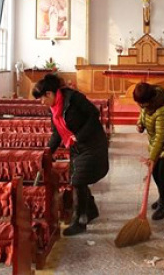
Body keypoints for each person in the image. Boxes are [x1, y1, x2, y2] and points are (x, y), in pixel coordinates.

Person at [33, 73, 109, 236]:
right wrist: (47, 152)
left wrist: (80, 135)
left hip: (92, 143)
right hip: (76, 146)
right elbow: (57, 133)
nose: (42, 103)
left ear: (49, 94)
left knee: (78, 180)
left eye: (42, 99)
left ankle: (79, 220)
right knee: (76, 179)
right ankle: (91, 209)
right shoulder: (54, 109)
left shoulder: (73, 99)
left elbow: (93, 114)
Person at [133, 82, 164, 220]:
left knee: (162, 173)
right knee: (156, 174)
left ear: (150, 100)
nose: (141, 106)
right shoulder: (147, 104)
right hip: (157, 145)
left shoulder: (162, 111)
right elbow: (143, 114)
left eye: (142, 103)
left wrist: (152, 158)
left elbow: (161, 136)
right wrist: (140, 124)